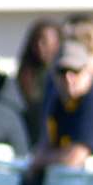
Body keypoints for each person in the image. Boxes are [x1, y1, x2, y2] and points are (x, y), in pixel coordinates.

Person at [31, 39, 93, 171]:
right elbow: (45, 147)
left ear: (88, 71)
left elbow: (75, 158)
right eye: (62, 71)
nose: (68, 78)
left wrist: (42, 160)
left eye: (75, 71)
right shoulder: (58, 103)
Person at [12, 18, 62, 149]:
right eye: (37, 41)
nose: (41, 46)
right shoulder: (24, 75)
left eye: (46, 42)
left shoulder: (63, 76)